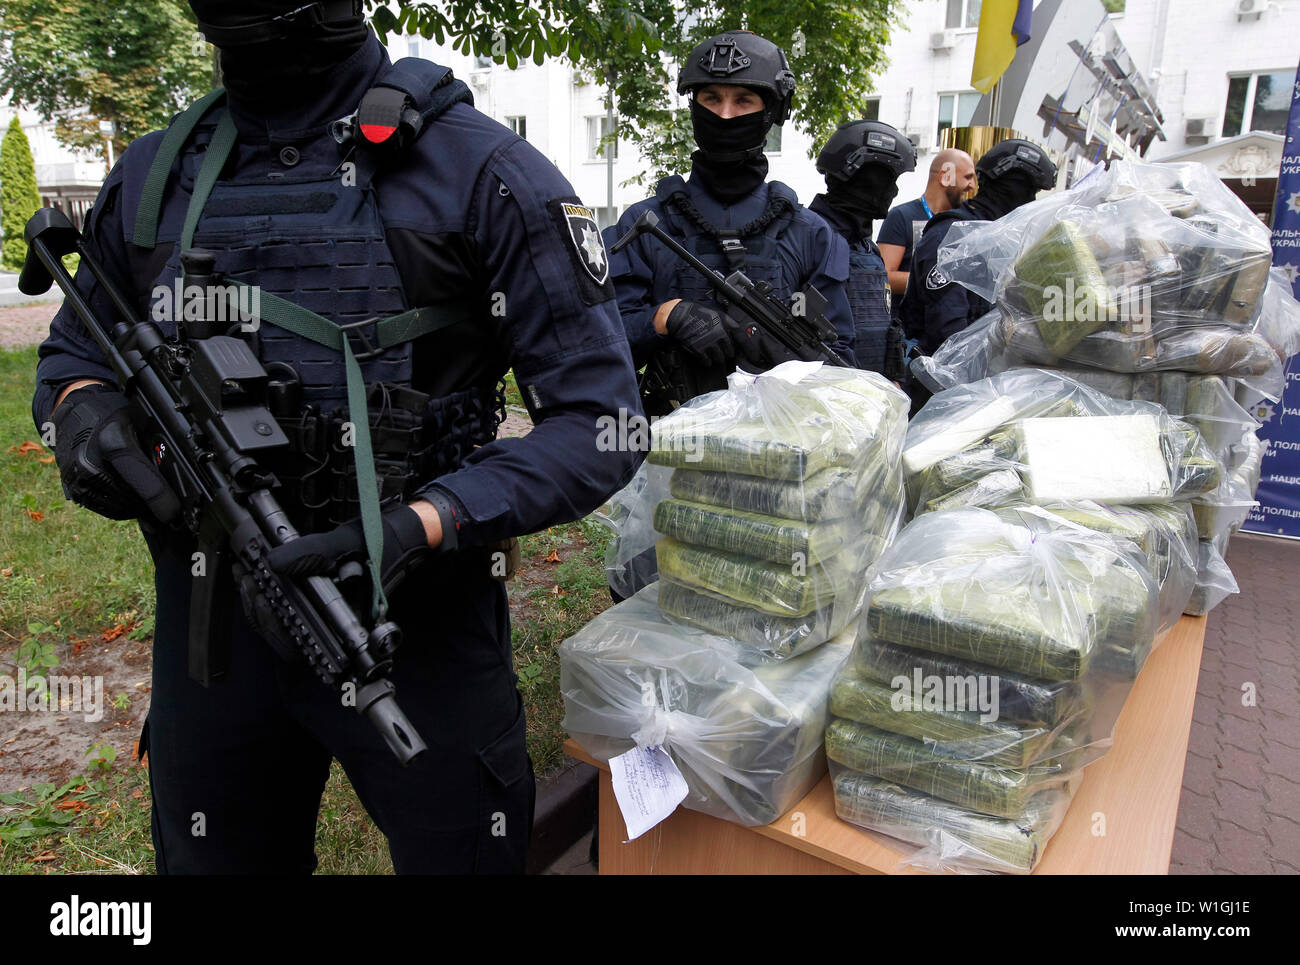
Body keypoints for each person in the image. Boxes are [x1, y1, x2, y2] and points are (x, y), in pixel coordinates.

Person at [33, 0, 644, 874]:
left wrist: (423, 521)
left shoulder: (483, 170)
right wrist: (84, 413)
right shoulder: (151, 177)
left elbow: (601, 423)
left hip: (414, 622)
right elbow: (73, 354)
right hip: (214, 628)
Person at [604, 30, 855, 418]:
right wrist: (665, 316)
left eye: (743, 100)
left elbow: (840, 365)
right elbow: (599, 343)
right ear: (693, 106)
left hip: (780, 454)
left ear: (771, 112)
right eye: (711, 99)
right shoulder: (644, 223)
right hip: (669, 453)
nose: (724, 115)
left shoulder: (811, 234)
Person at [899, 137, 1057, 360]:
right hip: (940, 379)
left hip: (990, 377)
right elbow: (947, 332)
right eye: (1025, 191)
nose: (1030, 200)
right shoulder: (953, 235)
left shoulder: (1006, 238)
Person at [809, 119, 916, 376]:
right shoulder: (807, 238)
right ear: (860, 174)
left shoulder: (868, 248)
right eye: (889, 178)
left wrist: (894, 376)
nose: (895, 190)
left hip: (871, 398)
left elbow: (884, 329)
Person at [877, 147, 976, 312]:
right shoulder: (901, 216)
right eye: (967, 177)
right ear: (946, 176)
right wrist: (937, 282)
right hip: (909, 331)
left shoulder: (965, 222)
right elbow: (883, 276)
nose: (972, 186)